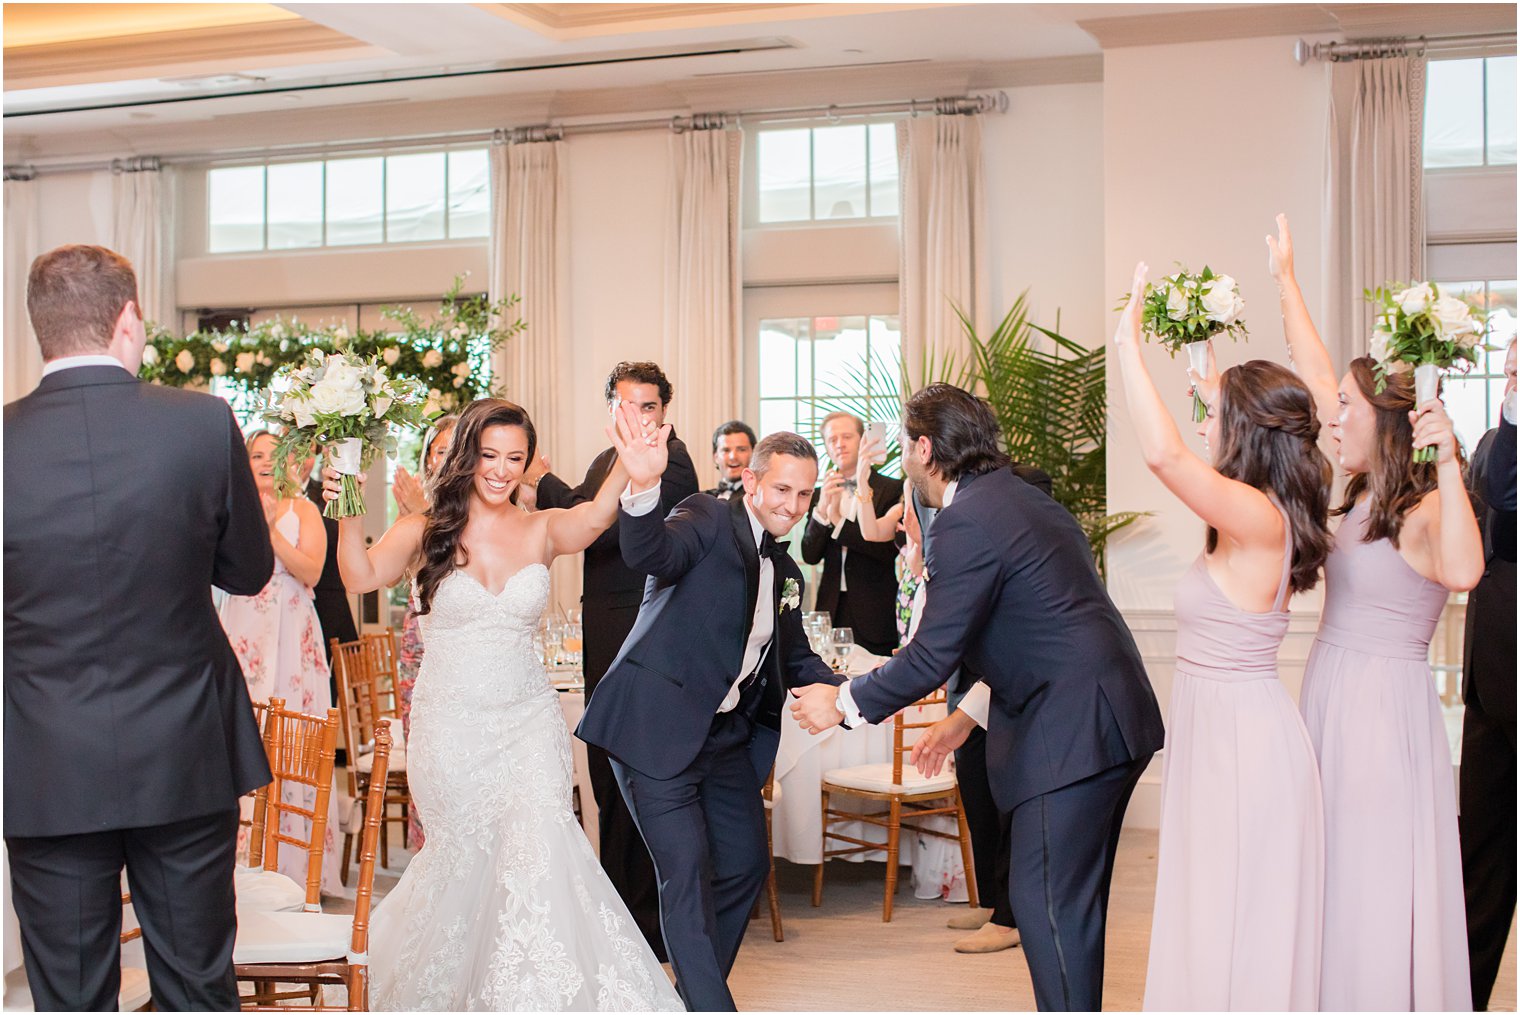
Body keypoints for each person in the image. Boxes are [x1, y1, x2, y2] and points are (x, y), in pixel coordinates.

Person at [790, 383, 1164, 1013]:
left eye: (905, 444)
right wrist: (960, 718)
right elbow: (1027, 621)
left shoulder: (964, 521)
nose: (901, 457)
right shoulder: (1019, 497)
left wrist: (843, 703)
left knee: (1048, 909)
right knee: (1072, 908)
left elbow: (933, 655)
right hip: (1111, 714)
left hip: (1071, 727)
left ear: (925, 447)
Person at [324, 398, 682, 1011]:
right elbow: (358, 577)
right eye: (489, 455)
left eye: (514, 458)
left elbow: (596, 517)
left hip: (527, 722)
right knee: (464, 862)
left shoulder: (541, 526)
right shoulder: (424, 528)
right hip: (451, 728)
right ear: (467, 453)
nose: (500, 469)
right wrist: (348, 507)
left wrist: (628, 463)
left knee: (542, 850)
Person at [4, 244, 274, 1010]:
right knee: (195, 985)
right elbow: (249, 570)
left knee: (69, 995)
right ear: (129, 320)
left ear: (41, 330)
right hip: (185, 748)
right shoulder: (199, 423)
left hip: (48, 760)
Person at [1269, 213, 1483, 1010]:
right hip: (1330, 689)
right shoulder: (1357, 492)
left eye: (1347, 409)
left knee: (1372, 874)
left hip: (1383, 712)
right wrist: (1287, 278)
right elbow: (1320, 370)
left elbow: (1466, 568)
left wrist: (1450, 454)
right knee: (1332, 870)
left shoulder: (1427, 507)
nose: (1332, 418)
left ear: (1386, 420)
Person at [1115, 263, 1333, 1009]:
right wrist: (1205, 371)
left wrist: (1127, 343)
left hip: (1245, 747)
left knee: (1238, 920)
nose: (1205, 424)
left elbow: (1165, 455)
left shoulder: (1259, 516)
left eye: (1217, 417)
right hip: (1223, 736)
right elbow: (1204, 430)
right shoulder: (1258, 507)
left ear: (1245, 433)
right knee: (1215, 916)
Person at [577, 431, 841, 1012]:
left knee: (745, 865)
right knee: (687, 873)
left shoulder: (785, 567)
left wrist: (852, 694)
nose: (792, 506)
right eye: (781, 489)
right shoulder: (703, 516)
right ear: (751, 480)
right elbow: (652, 554)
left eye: (804, 494)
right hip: (653, 730)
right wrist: (643, 489)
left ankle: (687, 998)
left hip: (723, 740)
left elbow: (795, 656)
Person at [856, 438, 1052, 956]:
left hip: (1002, 687)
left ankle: (1011, 916)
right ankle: (993, 901)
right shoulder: (932, 541)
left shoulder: (987, 520)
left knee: (1007, 799)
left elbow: (944, 645)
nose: (903, 523)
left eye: (908, 516)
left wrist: (847, 704)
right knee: (978, 791)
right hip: (967, 684)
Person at [530, 360, 698, 960]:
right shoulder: (608, 460)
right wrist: (552, 488)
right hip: (603, 636)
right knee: (605, 778)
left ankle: (647, 929)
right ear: (611, 410)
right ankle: (618, 915)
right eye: (626, 405)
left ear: (664, 411)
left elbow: (602, 531)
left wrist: (544, 481)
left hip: (639, 637)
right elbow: (581, 506)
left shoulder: (671, 461)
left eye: (648, 406)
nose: (637, 417)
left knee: (634, 782)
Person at [220, 430, 344, 893]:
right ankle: (239, 865)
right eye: (256, 455)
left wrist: (270, 531)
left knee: (296, 739)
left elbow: (312, 570)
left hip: (293, 634)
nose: (266, 462)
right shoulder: (231, 508)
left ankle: (297, 869)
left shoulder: (303, 510)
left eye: (276, 455)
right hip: (245, 627)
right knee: (243, 734)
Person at [1460, 337, 1516, 1012]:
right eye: (1507, 371)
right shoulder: (1488, 445)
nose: (1509, 383)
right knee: (1480, 863)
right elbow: (1486, 497)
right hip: (1488, 684)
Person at [389, 413, 459, 852]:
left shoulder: (485, 506)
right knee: (428, 757)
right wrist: (415, 515)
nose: (449, 457)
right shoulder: (415, 511)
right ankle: (427, 856)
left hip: (463, 642)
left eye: (457, 448)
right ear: (428, 459)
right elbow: (410, 577)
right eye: (440, 449)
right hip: (421, 641)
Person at [801, 412, 903, 655]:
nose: (839, 444)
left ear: (862, 440)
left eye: (847, 436)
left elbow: (884, 551)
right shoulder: (819, 493)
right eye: (832, 439)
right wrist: (822, 511)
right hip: (831, 608)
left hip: (875, 610)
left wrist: (837, 522)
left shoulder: (891, 489)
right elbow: (810, 555)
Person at [704, 419, 756, 500]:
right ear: (715, 457)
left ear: (754, 454)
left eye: (741, 449)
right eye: (726, 450)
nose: (733, 457)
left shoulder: (759, 499)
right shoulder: (702, 499)